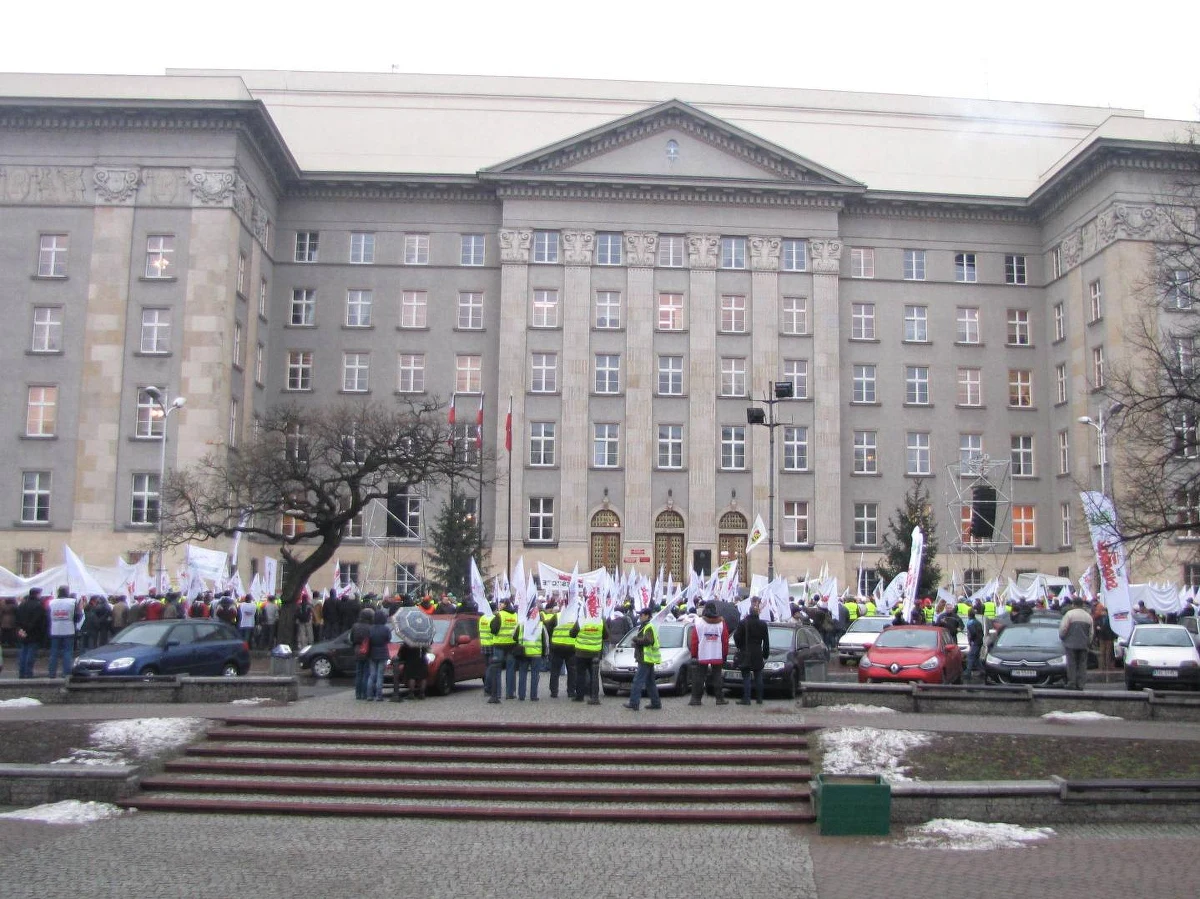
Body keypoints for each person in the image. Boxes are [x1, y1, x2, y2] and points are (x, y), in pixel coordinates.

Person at [688, 602, 729, 706]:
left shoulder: (699, 623)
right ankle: (719, 699)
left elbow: (694, 641)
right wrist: (724, 654)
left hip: (702, 653)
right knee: (717, 676)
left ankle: (696, 699)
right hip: (717, 653)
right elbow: (725, 641)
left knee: (699, 677)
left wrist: (694, 654)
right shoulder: (721, 623)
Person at [624, 607, 663, 711]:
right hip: (646, 658)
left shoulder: (648, 627)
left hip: (645, 658)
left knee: (637, 681)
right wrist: (636, 643)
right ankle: (656, 703)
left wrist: (636, 639)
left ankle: (634, 703)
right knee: (650, 682)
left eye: (641, 614)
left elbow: (648, 640)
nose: (640, 616)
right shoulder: (645, 626)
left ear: (647, 615)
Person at [733, 598, 770, 705]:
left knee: (746, 677)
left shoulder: (743, 623)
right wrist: (765, 653)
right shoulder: (763, 624)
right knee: (758, 676)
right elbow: (766, 641)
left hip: (746, 651)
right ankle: (759, 699)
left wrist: (740, 646)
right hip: (758, 652)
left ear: (749, 612)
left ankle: (747, 698)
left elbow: (736, 636)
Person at [570, 614, 607, 705]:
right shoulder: (600, 621)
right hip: (595, 653)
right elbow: (606, 635)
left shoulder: (581, 620)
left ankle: (580, 696)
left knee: (580, 675)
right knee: (594, 676)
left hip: (581, 653)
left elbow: (572, 634)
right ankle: (594, 696)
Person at [1059, 597, 1094, 690]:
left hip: (1070, 643)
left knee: (1071, 664)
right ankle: (1081, 684)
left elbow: (1063, 628)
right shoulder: (1088, 616)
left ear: (1073, 604)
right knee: (1082, 664)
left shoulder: (1069, 614)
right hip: (1083, 644)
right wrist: (1088, 642)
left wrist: (1062, 637)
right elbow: (1091, 633)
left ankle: (1072, 683)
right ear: (1082, 605)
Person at [546, 600, 576, 699]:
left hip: (557, 647)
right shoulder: (575, 617)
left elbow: (548, 628)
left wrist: (553, 638)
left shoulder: (557, 616)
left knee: (555, 671)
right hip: (571, 647)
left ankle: (554, 692)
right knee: (572, 671)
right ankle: (571, 691)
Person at [47, 587, 79, 678]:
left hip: (55, 629)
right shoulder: (72, 602)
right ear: (67, 593)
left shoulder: (52, 602)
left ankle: (52, 673)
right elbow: (77, 616)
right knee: (68, 652)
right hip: (68, 629)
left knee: (54, 652)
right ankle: (66, 672)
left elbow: (48, 616)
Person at [15, 588, 46, 679]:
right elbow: (39, 621)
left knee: (23, 652)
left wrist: (21, 629)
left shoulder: (22, 605)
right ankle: (28, 672)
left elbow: (17, 619)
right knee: (31, 653)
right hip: (34, 633)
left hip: (22, 632)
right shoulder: (38, 606)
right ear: (37, 594)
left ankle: (22, 672)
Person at [516, 613, 547, 701]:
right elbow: (545, 640)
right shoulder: (541, 625)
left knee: (522, 674)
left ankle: (521, 695)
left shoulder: (522, 624)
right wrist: (545, 653)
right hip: (536, 653)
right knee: (535, 675)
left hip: (523, 652)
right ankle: (533, 696)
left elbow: (514, 635)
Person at [365, 608, 391, 701]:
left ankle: (369, 695)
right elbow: (388, 640)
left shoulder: (370, 629)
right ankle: (379, 696)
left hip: (372, 653)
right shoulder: (386, 629)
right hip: (383, 653)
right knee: (380, 675)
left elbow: (368, 641)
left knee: (372, 675)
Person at [349, 607, 374, 700]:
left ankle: (357, 694)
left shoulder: (355, 626)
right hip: (367, 651)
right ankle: (364, 693)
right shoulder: (370, 627)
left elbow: (351, 639)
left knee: (359, 673)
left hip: (357, 650)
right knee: (366, 674)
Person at [964, 608, 985, 683]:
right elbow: (982, 633)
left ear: (968, 614)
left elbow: (973, 633)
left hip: (975, 642)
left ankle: (968, 672)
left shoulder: (970, 623)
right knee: (976, 657)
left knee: (970, 656)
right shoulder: (978, 622)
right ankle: (982, 671)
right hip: (979, 641)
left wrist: (971, 640)